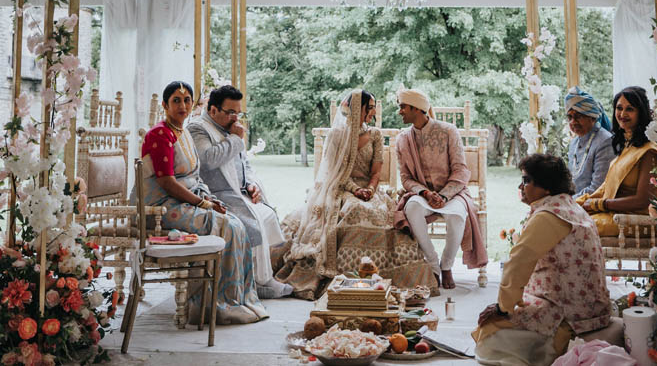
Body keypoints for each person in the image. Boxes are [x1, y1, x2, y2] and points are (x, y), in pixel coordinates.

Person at [132, 80, 268, 325]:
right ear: (165, 104)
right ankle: (208, 305)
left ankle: (237, 299)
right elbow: (167, 183)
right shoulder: (159, 134)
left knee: (236, 224)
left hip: (180, 202)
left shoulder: (183, 133)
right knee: (225, 226)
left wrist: (209, 199)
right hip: (160, 207)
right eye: (176, 100)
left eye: (186, 100)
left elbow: (193, 177)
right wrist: (203, 204)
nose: (182, 105)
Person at [276, 89, 432, 300]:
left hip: (369, 189)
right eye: (370, 108)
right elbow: (334, 172)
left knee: (377, 213)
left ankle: (380, 277)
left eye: (374, 108)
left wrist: (369, 188)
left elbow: (376, 171)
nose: (373, 112)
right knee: (353, 209)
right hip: (339, 187)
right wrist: (354, 189)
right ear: (357, 108)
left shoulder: (375, 134)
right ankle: (347, 277)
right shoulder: (336, 135)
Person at [472, 154, 612, 366]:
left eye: (527, 180)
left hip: (569, 313)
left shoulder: (549, 215)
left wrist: (503, 308)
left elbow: (518, 262)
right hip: (591, 307)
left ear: (546, 187)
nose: (521, 186)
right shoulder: (571, 208)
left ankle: (543, 351)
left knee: (489, 329)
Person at [189, 84, 293, 299]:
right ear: (213, 110)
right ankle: (262, 282)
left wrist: (250, 185)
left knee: (267, 215)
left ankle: (256, 277)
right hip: (214, 192)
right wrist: (236, 140)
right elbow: (207, 160)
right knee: (253, 220)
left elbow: (244, 165)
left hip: (237, 191)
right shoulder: (198, 128)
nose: (235, 118)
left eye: (238, 112)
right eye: (230, 112)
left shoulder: (229, 129)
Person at [393, 88, 488, 290]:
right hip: (422, 194)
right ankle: (433, 264)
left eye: (403, 107)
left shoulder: (448, 131)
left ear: (417, 108)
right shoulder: (402, 139)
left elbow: (461, 170)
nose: (399, 111)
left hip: (452, 193)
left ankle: (447, 266)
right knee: (412, 208)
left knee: (456, 215)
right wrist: (426, 193)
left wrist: (444, 196)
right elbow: (406, 178)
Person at [576, 86, 657, 237]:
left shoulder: (649, 152)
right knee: (565, 218)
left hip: (634, 220)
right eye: (619, 108)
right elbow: (605, 187)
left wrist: (598, 205)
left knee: (573, 227)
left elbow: (643, 201)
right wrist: (579, 203)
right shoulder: (627, 148)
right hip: (614, 214)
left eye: (630, 109)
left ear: (641, 113)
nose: (622, 114)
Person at [564, 87, 615, 199]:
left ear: (592, 117)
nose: (573, 122)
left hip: (593, 205)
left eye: (578, 116)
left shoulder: (605, 142)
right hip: (575, 203)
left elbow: (597, 188)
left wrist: (568, 201)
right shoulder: (574, 143)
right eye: (570, 117)